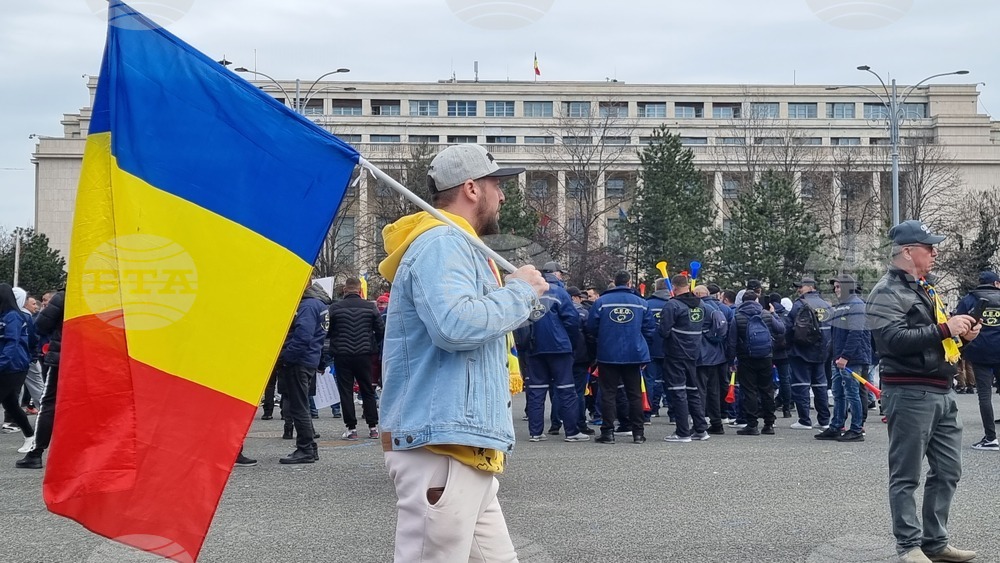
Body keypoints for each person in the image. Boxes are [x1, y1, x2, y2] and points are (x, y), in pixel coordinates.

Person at [378, 143, 546, 561]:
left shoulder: (455, 243)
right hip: (442, 442)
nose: (503, 195)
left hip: (458, 440)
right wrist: (521, 290)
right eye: (497, 184)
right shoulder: (443, 242)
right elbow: (455, 325)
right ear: (471, 188)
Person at [867, 219, 979, 563]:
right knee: (906, 474)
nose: (934, 253)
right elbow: (892, 342)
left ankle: (935, 542)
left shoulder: (925, 288)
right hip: (910, 390)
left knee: (948, 471)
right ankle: (909, 546)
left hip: (941, 389)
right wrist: (946, 326)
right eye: (929, 247)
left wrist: (960, 335)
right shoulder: (885, 291)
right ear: (907, 251)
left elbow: (934, 338)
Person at [517, 262, 587, 443]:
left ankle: (536, 432)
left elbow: (519, 321)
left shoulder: (529, 292)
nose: (562, 277)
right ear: (555, 274)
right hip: (559, 348)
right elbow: (572, 320)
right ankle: (572, 432)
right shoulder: (559, 292)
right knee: (565, 389)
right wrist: (570, 342)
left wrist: (524, 346)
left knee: (536, 391)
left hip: (534, 348)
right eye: (561, 274)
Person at [587, 271, 656, 444]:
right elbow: (650, 329)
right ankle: (638, 433)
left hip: (608, 354)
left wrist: (602, 340)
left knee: (608, 394)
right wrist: (640, 345)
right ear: (629, 283)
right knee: (634, 394)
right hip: (634, 354)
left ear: (615, 282)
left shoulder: (601, 302)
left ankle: (608, 432)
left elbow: (591, 327)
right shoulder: (641, 303)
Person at [276, 283, 331, 464]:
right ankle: (309, 448)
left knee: (298, 406)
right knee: (302, 405)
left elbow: (303, 336)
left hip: (299, 361)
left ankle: (305, 448)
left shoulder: (307, 306)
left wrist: (287, 357)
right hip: (309, 360)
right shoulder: (319, 305)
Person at [816, 274, 871, 443]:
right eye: (835, 286)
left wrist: (845, 356)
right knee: (839, 394)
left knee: (852, 394)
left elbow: (856, 333)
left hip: (852, 360)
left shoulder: (856, 306)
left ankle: (856, 429)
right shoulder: (842, 307)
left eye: (839, 286)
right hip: (839, 359)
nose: (835, 289)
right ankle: (836, 426)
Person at [329, 277, 384, 441]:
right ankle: (373, 427)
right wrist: (371, 344)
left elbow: (328, 331)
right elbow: (381, 330)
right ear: (360, 290)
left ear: (345, 289)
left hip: (342, 354)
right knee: (367, 389)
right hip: (364, 354)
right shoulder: (370, 307)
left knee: (345, 391)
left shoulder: (335, 308)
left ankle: (351, 428)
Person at [16, 288, 63, 469]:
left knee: (48, 403)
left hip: (63, 357)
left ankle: (36, 452)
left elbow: (41, 325)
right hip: (99, 358)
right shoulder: (111, 295)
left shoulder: (65, 296)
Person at [658, 274, 709, 442]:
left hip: (676, 353)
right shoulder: (701, 304)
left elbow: (663, 331)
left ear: (673, 287)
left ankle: (682, 432)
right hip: (694, 352)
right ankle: (700, 429)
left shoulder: (672, 305)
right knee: (693, 391)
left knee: (678, 392)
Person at [726, 290, 783, 436]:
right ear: (757, 300)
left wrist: (731, 361)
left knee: (749, 390)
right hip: (766, 357)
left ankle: (752, 424)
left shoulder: (737, 317)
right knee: (766, 389)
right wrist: (773, 313)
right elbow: (781, 329)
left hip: (746, 358)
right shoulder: (765, 314)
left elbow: (731, 342)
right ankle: (769, 424)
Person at [954, 270, 1000, 451]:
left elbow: (958, 323)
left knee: (984, 396)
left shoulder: (969, 299)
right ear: (996, 284)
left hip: (980, 353)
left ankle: (990, 438)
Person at [786, 276, 833, 430]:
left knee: (801, 384)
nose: (798, 289)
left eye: (801, 287)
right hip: (822, 352)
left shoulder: (798, 305)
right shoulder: (826, 305)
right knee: (820, 385)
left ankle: (804, 420)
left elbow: (787, 328)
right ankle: (824, 420)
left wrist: (788, 346)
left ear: (810, 287)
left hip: (801, 350)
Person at [0, 284, 35, 454]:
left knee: (11, 404)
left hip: (14, 367)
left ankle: (31, 437)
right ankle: (30, 436)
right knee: (11, 405)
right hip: (9, 366)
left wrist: (1, 363)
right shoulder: (5, 315)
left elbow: (11, 343)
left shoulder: (13, 316)